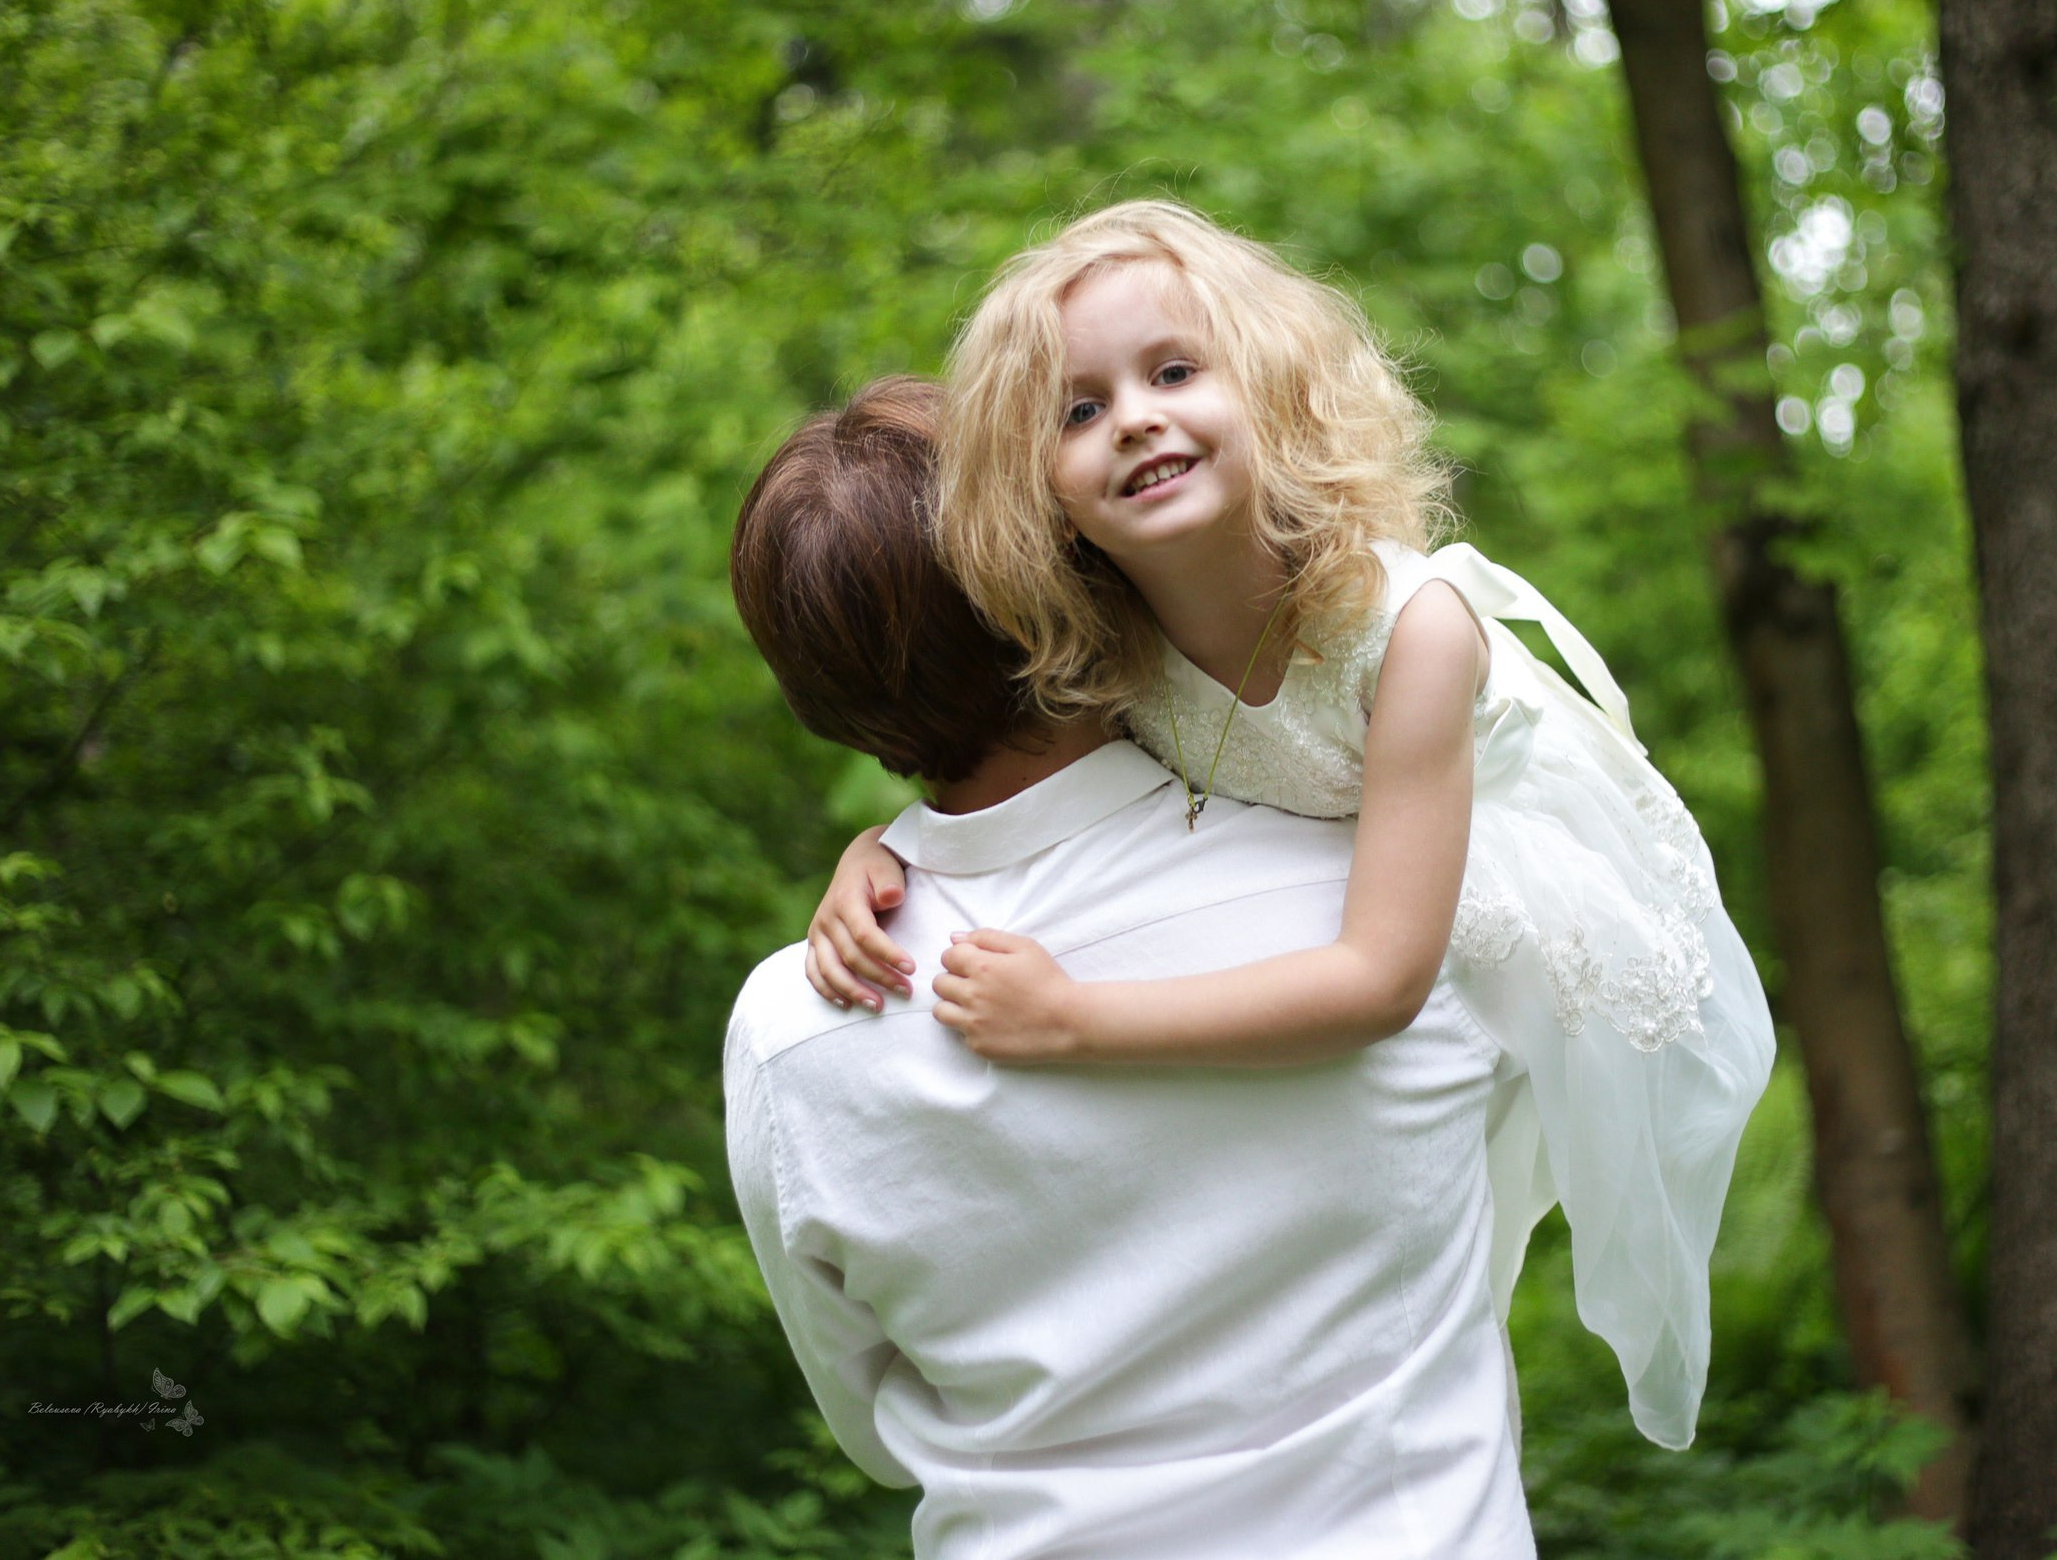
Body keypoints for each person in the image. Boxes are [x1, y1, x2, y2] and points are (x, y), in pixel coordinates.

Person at [809, 201, 1775, 1448]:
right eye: (1078, 410)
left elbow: (1376, 980)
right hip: (1325, 853)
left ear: (1269, 388)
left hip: (1487, 872)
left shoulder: (1412, 634)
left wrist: (1074, 1020)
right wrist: (877, 857)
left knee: (1442, 1203)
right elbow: (990, 779)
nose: (1136, 418)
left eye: (1173, 371)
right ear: (1035, 491)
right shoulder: (1110, 645)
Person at [724, 376, 1544, 1556]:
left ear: (823, 695)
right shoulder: (1392, 904)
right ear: (1069, 570)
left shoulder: (793, 1031)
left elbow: (869, 1421)